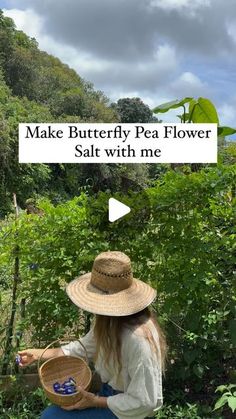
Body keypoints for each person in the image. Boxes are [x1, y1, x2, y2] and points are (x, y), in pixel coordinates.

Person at [18, 251, 167, 419]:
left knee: (51, 417)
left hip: (127, 411)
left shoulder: (139, 340)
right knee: (52, 414)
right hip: (107, 395)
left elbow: (145, 402)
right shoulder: (109, 322)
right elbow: (78, 349)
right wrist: (36, 354)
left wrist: (95, 401)